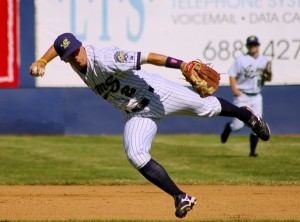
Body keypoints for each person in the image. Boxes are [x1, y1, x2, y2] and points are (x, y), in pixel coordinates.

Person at [29, 33, 270, 218]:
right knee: (135, 155)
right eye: (69, 56)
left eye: (75, 52)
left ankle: (247, 116)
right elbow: (59, 42)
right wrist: (42, 60)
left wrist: (182, 65)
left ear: (81, 46)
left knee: (206, 108)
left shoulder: (105, 58)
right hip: (136, 113)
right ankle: (180, 197)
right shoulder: (73, 59)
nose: (74, 57)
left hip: (157, 94)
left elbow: (148, 57)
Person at [220, 36, 272, 157]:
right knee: (238, 126)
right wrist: (235, 90)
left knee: (258, 124)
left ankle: (252, 152)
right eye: (250, 45)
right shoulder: (241, 59)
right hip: (243, 95)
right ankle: (230, 127)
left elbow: (268, 77)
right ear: (247, 46)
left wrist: (268, 74)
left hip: (256, 95)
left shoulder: (264, 60)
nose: (252, 46)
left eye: (254, 44)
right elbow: (232, 75)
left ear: (258, 46)